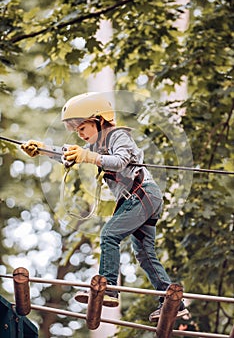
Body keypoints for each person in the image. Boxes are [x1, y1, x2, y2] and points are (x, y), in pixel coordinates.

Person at [21, 92, 189, 321]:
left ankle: (109, 286)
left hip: (143, 195)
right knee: (144, 254)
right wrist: (41, 149)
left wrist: (87, 157)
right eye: (77, 131)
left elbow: (120, 161)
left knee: (109, 234)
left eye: (82, 128)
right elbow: (69, 156)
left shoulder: (118, 135)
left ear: (99, 120)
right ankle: (172, 302)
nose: (80, 135)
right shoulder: (98, 147)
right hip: (138, 200)